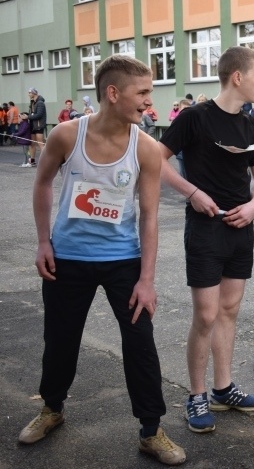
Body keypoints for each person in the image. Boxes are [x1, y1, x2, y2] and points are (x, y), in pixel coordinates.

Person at [19, 55, 185, 465]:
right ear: (113, 93)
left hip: (123, 261)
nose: (149, 101)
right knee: (60, 340)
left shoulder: (145, 147)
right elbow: (42, 184)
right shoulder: (65, 135)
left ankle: (151, 430)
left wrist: (147, 279)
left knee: (140, 344)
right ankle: (52, 409)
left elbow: (149, 217)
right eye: (142, 92)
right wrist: (43, 241)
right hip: (67, 259)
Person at [158, 46, 254, 434]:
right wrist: (192, 192)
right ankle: (197, 395)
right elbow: (155, 158)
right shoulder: (194, 117)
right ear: (237, 77)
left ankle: (223, 389)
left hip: (241, 228)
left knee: (229, 311)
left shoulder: (250, 124)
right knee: (205, 315)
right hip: (205, 228)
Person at [28, 88, 47, 167]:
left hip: (39, 125)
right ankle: (32, 160)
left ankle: (46, 161)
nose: (28, 94)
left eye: (29, 93)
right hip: (32, 124)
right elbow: (31, 113)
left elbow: (39, 115)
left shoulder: (40, 103)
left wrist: (28, 117)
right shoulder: (32, 102)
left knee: (40, 143)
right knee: (32, 143)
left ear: (34, 93)